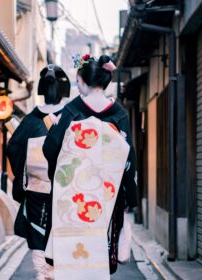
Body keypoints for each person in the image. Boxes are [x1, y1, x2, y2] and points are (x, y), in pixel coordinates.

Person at [42, 54, 137, 279]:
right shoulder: (119, 114)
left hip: (72, 197)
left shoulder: (71, 111)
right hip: (107, 199)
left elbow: (50, 150)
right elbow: (128, 160)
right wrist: (129, 198)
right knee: (100, 258)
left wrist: (56, 133)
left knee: (70, 259)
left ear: (82, 82)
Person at [7, 64, 70, 280]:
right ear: (65, 89)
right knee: (60, 231)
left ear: (41, 90)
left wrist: (24, 171)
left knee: (37, 232)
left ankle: (43, 273)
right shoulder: (72, 116)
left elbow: (13, 148)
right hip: (65, 190)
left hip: (36, 189)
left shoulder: (31, 120)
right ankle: (55, 272)